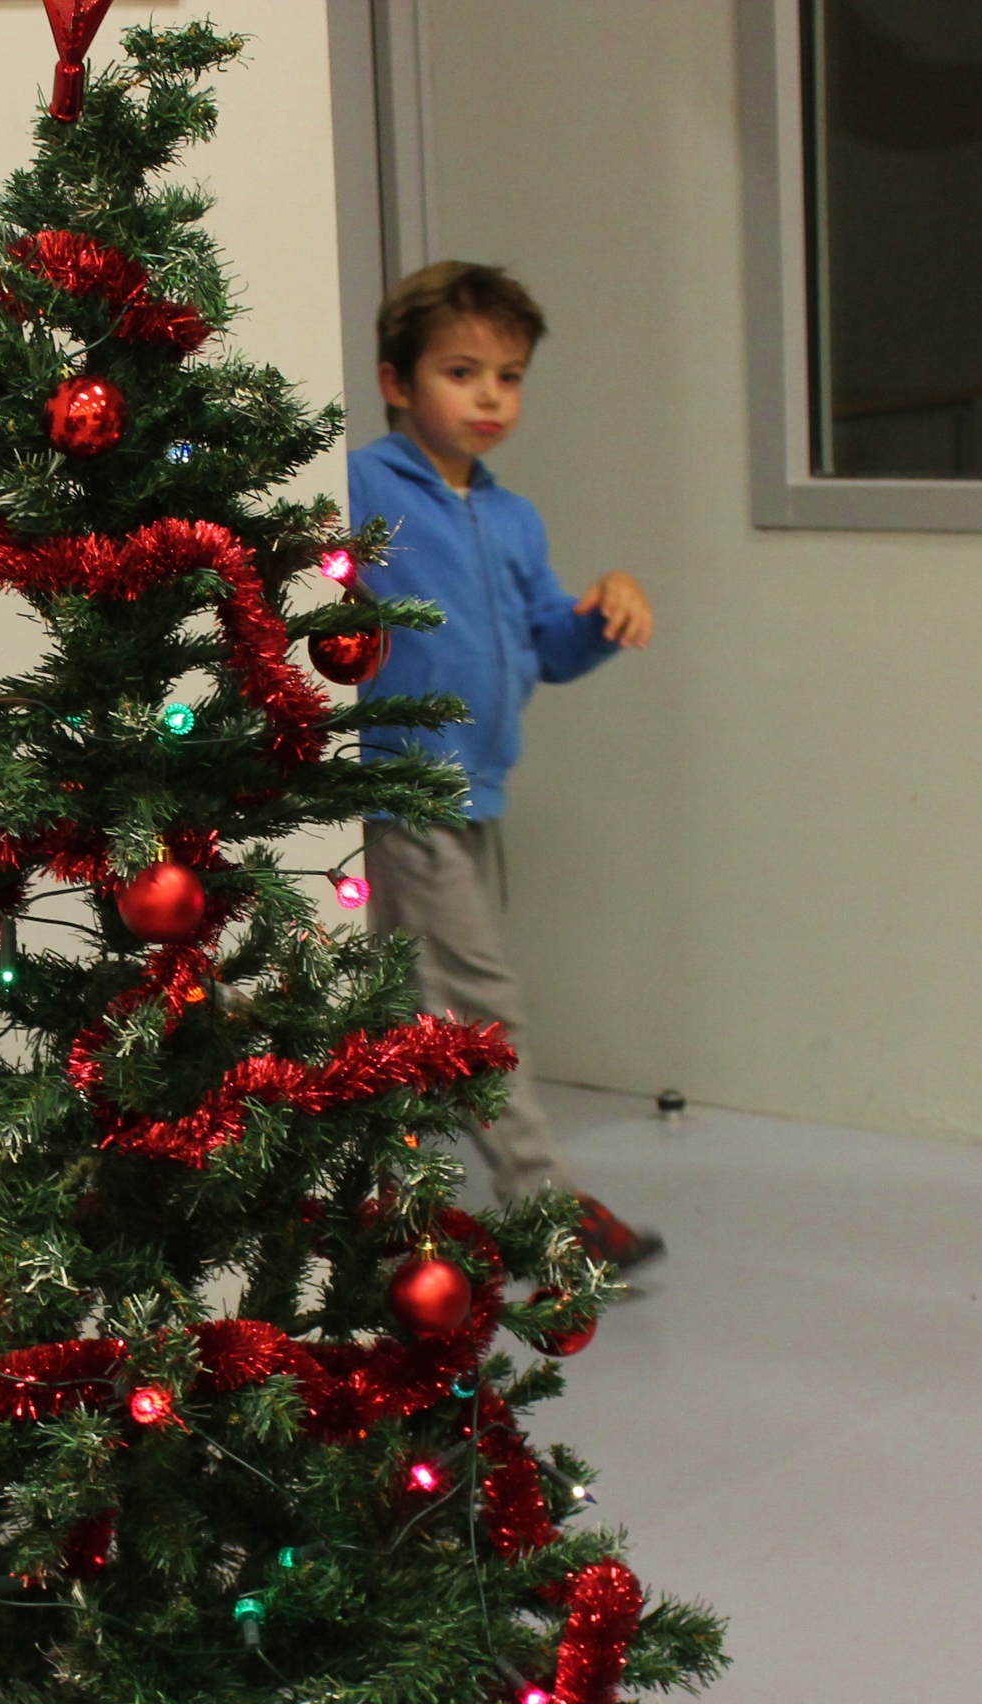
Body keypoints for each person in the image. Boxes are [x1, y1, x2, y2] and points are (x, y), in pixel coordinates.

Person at [350, 261, 664, 1269]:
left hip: (476, 790)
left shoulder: (513, 516)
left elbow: (549, 648)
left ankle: (381, 1207)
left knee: (408, 1006)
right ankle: (545, 1210)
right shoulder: (363, 487)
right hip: (404, 783)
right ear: (397, 382)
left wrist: (604, 609)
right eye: (461, 372)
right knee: (479, 1003)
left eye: (509, 376)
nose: (489, 396)